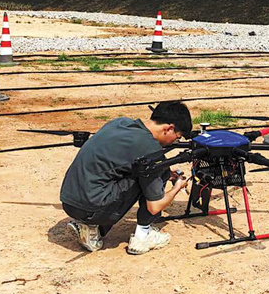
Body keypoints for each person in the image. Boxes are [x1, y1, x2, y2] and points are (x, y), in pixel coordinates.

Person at [60, 101, 192, 255]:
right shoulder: (150, 149)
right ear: (168, 129)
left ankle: (91, 229)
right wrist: (177, 186)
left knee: (155, 170)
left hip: (69, 201)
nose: (175, 142)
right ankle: (143, 236)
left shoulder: (120, 123)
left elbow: (119, 162)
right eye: (177, 137)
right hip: (91, 207)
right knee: (157, 170)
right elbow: (155, 206)